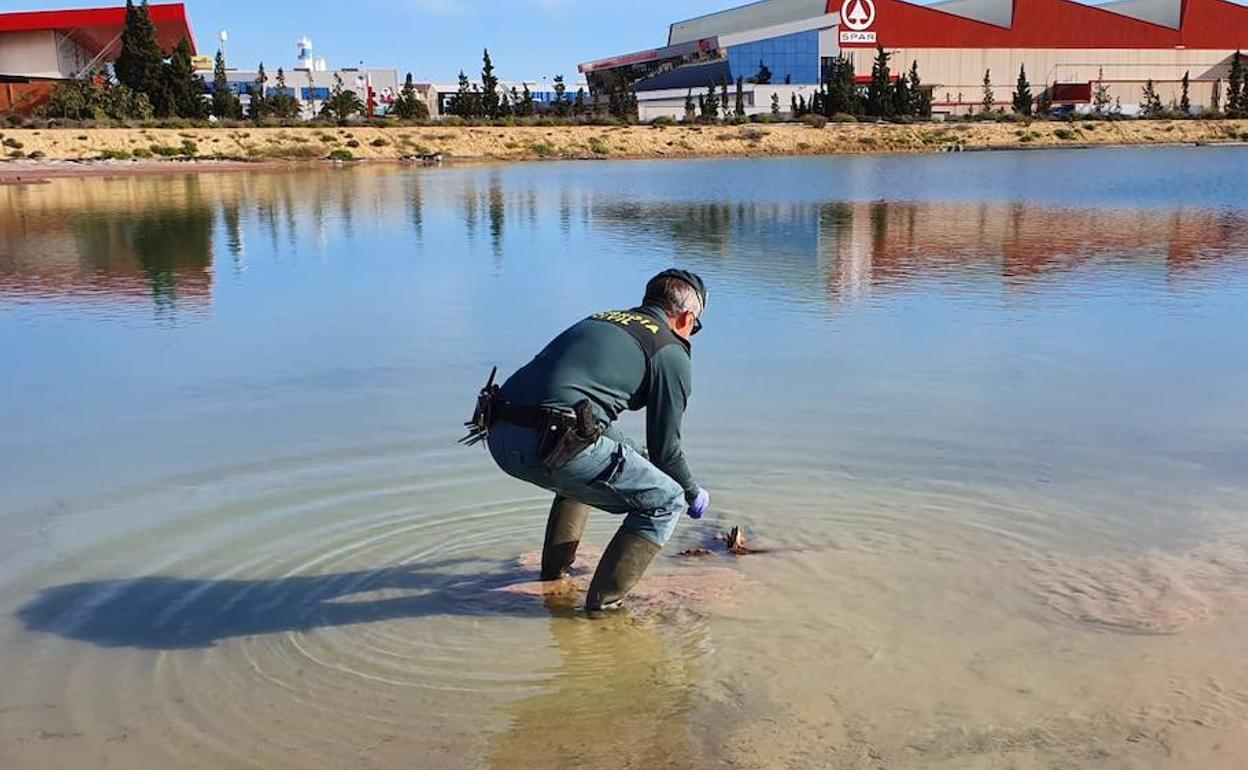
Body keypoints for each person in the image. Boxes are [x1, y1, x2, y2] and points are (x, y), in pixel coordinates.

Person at [476, 270, 711, 612]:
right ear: (687, 317)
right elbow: (666, 451)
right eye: (697, 327)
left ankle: (553, 580)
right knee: (666, 500)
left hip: (499, 434)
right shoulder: (669, 350)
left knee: (611, 456)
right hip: (552, 445)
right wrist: (692, 492)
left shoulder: (602, 319)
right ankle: (605, 611)